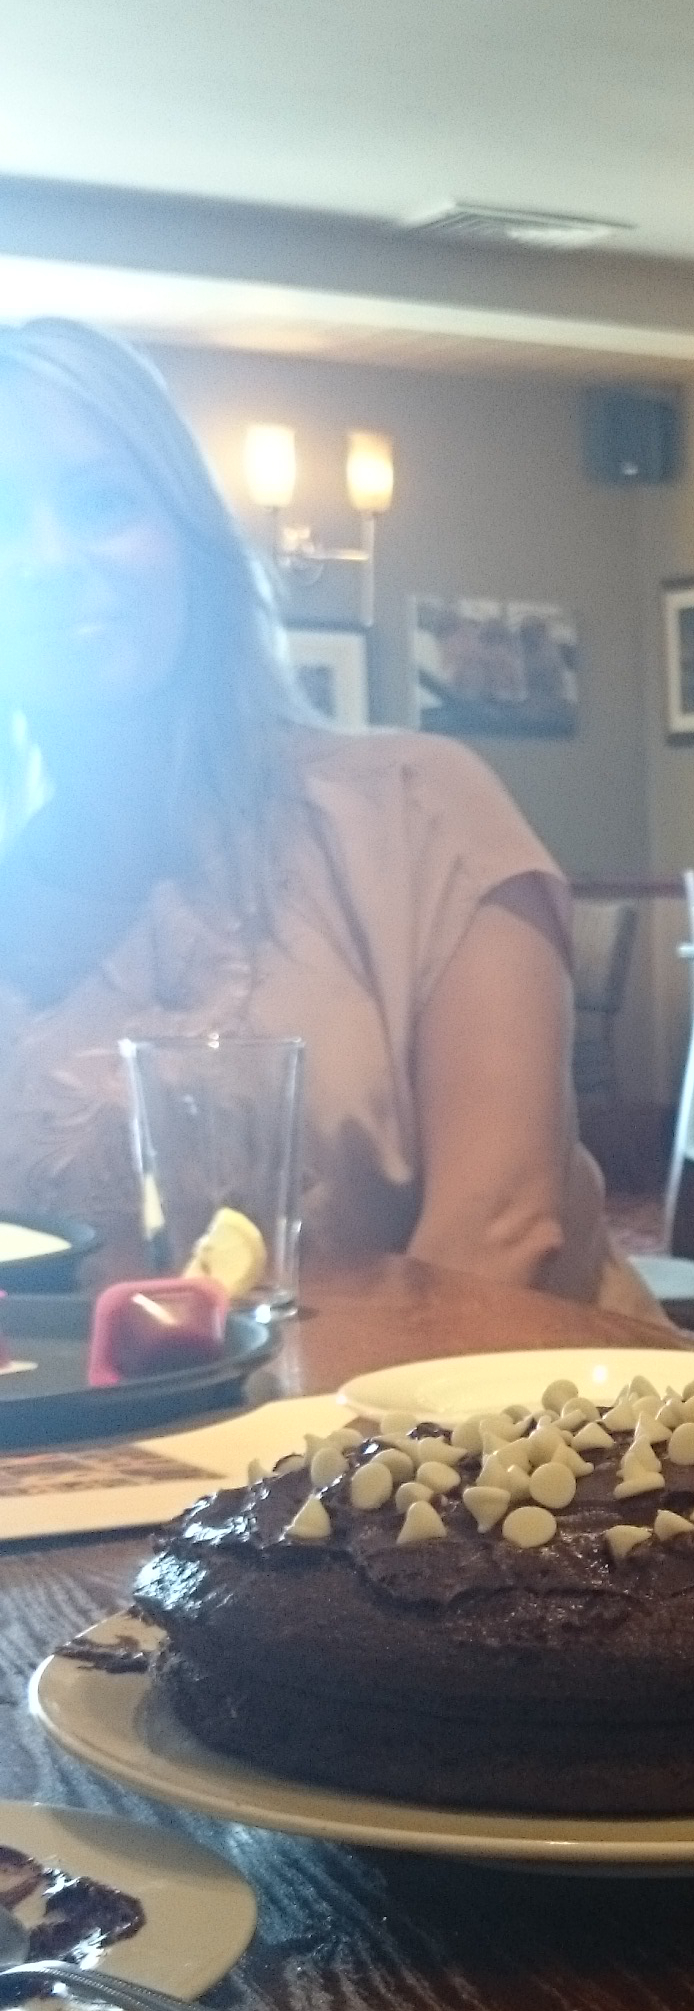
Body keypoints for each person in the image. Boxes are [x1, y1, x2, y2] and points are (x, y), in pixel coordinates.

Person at [0, 318, 644, 1305]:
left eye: (101, 502)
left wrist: (296, 1460)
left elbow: (502, 1233)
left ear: (191, 538)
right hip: (97, 1454)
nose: (47, 558)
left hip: (486, 1436)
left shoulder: (419, 814)